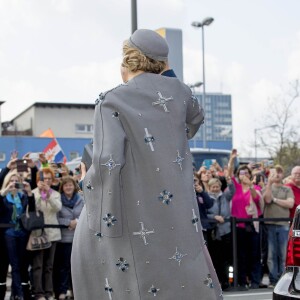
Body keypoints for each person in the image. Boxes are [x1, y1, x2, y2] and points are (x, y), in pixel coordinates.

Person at [71, 29, 222, 299]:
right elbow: (195, 120)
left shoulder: (112, 100)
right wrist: (168, 74)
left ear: (127, 61)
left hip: (132, 210)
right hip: (176, 212)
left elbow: (108, 161)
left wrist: (87, 183)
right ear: (163, 62)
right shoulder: (182, 94)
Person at [228, 151, 263, 290]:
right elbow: (229, 174)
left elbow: (256, 198)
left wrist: (250, 186)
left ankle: (255, 281)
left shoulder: (255, 187)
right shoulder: (235, 187)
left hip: (251, 225)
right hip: (238, 226)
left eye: (246, 172)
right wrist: (232, 159)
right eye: (241, 173)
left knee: (254, 255)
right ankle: (241, 282)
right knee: (240, 256)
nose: (244, 175)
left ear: (250, 175)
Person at [0, 171, 33, 300]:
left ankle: (16, 293)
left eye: (16, 181)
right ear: (7, 182)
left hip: (22, 233)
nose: (14, 183)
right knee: (14, 264)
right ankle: (19, 294)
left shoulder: (23, 196)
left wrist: (30, 193)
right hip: (9, 233)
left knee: (20, 264)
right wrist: (5, 191)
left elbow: (32, 211)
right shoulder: (4, 197)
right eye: (11, 181)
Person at [31, 168, 62, 300]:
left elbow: (57, 208)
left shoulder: (55, 193)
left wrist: (48, 195)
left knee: (49, 266)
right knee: (38, 265)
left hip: (53, 233)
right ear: (39, 180)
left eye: (49, 178)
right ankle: (38, 292)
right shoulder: (33, 193)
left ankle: (49, 292)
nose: (47, 181)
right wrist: (40, 193)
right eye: (44, 178)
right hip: (38, 234)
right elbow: (34, 208)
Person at [262, 165, 294, 288]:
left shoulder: (287, 189)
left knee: (283, 253)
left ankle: (284, 278)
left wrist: (276, 200)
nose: (277, 175)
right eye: (275, 173)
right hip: (269, 225)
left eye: (280, 172)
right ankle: (273, 279)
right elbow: (267, 200)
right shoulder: (267, 187)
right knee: (271, 254)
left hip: (283, 224)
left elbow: (290, 204)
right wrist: (269, 184)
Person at [55, 176, 84, 300]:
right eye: (66, 185)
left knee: (77, 267)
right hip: (64, 238)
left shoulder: (81, 199)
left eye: (70, 185)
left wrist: (77, 221)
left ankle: (76, 291)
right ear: (62, 187)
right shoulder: (58, 200)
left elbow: (85, 214)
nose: (68, 187)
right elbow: (55, 218)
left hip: (78, 238)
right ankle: (63, 290)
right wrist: (68, 222)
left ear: (74, 186)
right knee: (64, 266)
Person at [207, 177, 235, 290]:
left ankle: (227, 281)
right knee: (215, 258)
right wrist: (214, 217)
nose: (215, 189)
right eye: (213, 187)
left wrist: (229, 182)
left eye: (217, 187)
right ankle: (216, 281)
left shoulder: (225, 196)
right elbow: (204, 214)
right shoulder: (207, 198)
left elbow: (232, 190)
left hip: (225, 231)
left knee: (226, 258)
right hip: (213, 232)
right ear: (209, 187)